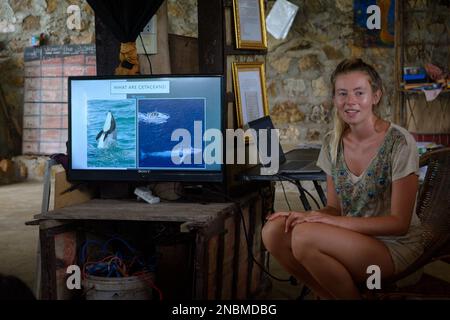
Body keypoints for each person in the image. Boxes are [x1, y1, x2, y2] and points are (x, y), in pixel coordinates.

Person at [262, 58, 423, 299]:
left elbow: (399, 224)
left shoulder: (399, 142)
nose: (350, 101)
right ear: (335, 98)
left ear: (376, 96)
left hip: (393, 247)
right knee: (274, 230)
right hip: (352, 239)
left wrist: (329, 224)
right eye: (342, 93)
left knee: (305, 237)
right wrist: (304, 216)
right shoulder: (331, 142)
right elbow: (334, 208)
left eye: (360, 93)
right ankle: (330, 296)